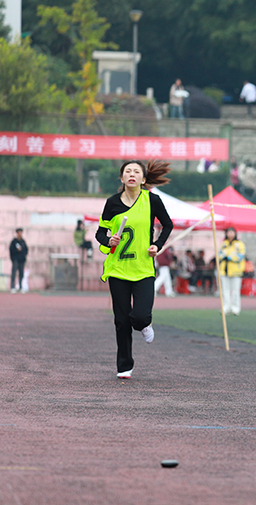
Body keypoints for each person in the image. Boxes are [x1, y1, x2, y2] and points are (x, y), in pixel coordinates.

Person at [96, 160, 173, 379]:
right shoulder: (112, 203)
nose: (132, 174)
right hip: (118, 269)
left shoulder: (152, 200)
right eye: (127, 171)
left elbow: (168, 225)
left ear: (143, 179)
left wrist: (157, 245)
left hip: (143, 269)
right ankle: (124, 366)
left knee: (139, 316)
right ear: (122, 178)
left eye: (136, 172)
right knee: (121, 320)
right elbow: (100, 233)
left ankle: (145, 324)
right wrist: (109, 240)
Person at [219, 227, 246, 315]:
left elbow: (240, 256)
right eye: (228, 232)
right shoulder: (224, 243)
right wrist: (224, 256)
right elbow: (219, 254)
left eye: (232, 232)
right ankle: (226, 307)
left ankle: (235, 308)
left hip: (236, 271)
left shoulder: (239, 244)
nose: (230, 234)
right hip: (224, 270)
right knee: (225, 290)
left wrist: (230, 257)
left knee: (235, 291)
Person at [9, 228, 28, 294]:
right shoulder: (14, 242)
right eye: (19, 232)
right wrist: (13, 257)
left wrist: (24, 256)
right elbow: (11, 250)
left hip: (21, 260)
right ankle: (12, 287)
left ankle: (20, 287)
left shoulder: (23, 242)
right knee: (14, 273)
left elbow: (26, 250)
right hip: (15, 260)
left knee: (21, 274)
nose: (20, 234)